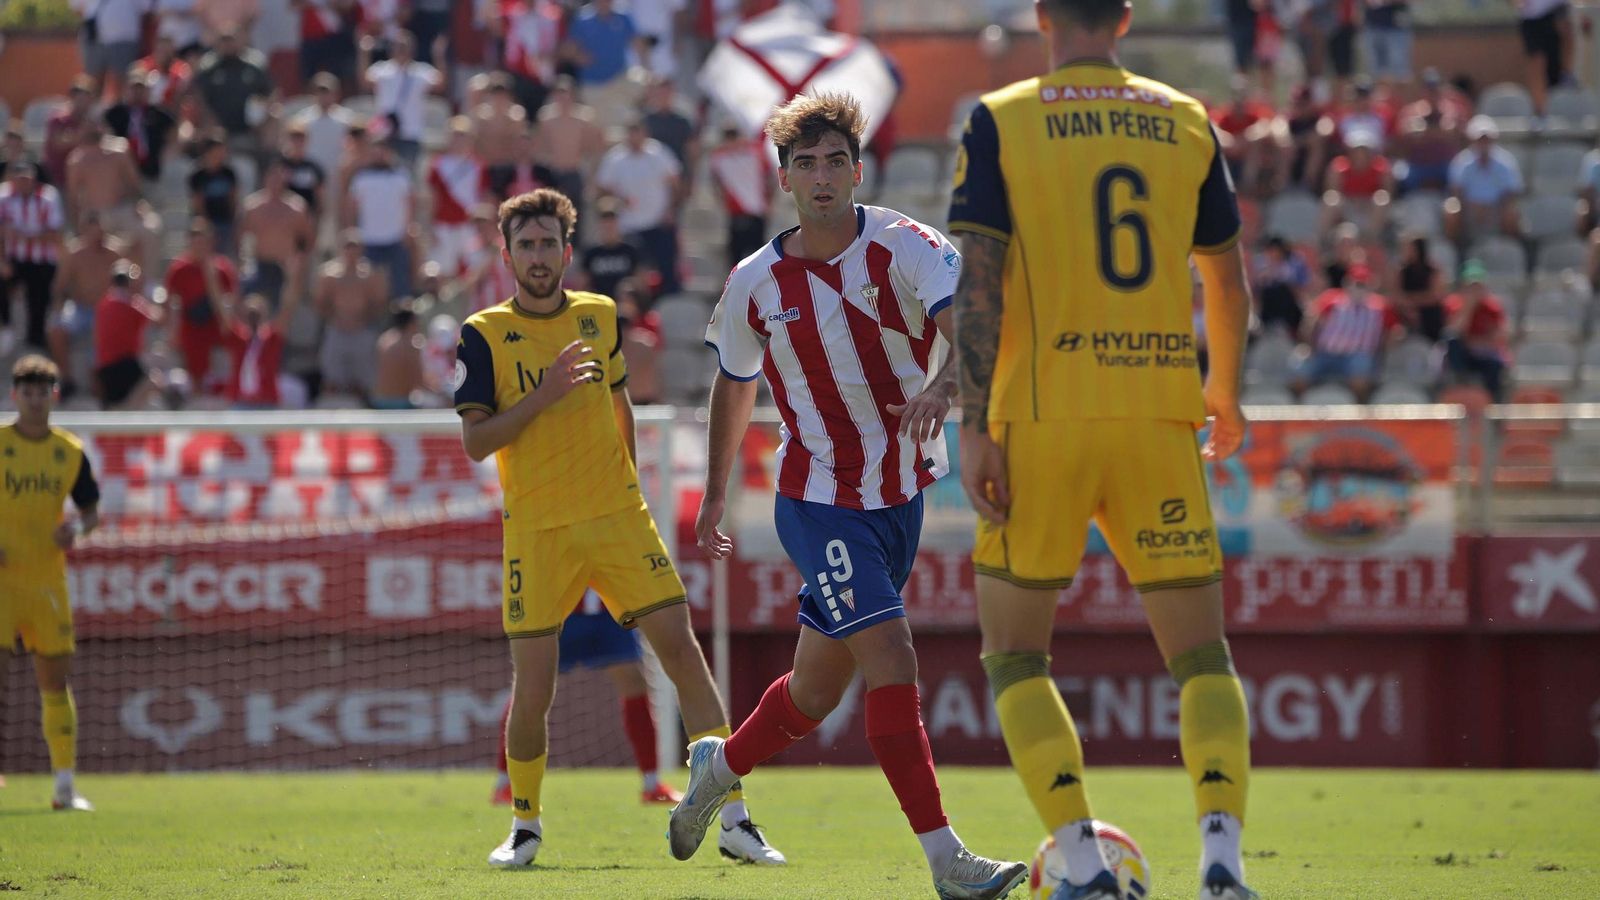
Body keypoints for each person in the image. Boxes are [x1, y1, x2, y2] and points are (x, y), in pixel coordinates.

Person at [673, 93, 1026, 900]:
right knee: (891, 655)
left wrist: (944, 388)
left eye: (836, 161)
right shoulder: (755, 282)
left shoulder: (906, 244)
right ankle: (948, 863)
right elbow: (734, 387)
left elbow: (971, 324)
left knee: (814, 690)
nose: (823, 176)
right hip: (819, 498)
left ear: (858, 170)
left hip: (900, 495)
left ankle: (718, 767)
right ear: (785, 180)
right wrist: (715, 493)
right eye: (807, 164)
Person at [947, 1, 1257, 897]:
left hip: (1042, 417)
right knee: (1203, 659)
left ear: (1043, 15)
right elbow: (1227, 280)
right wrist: (1225, 393)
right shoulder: (1186, 119)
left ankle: (1081, 863)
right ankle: (1224, 862)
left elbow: (976, 281)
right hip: (1160, 412)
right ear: (1124, 17)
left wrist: (974, 423)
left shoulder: (1001, 117)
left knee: (1014, 657)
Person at [454, 188, 782, 868]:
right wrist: (542, 396)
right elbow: (477, 443)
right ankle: (524, 826)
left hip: (616, 518)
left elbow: (619, 400)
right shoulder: (482, 333)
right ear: (507, 252)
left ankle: (736, 818)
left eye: (549, 244)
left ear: (568, 252)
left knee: (684, 657)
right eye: (527, 245)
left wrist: (629, 483)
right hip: (539, 530)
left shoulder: (599, 316)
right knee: (535, 686)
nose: (539, 256)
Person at [0, 354, 101, 812]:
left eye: (43, 393)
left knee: (55, 683)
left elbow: (91, 513)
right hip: (2, 582)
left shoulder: (70, 452)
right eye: (28, 392)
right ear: (14, 395)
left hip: (46, 583)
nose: (36, 401)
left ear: (54, 396)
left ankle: (64, 786)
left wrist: (75, 531)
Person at [490, 590, 684, 807]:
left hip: (608, 610)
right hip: (558, 608)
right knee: (530, 690)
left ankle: (651, 784)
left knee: (634, 681)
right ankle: (505, 783)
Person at [1291, 263, 1402, 402]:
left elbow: (1396, 330)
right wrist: (1310, 344)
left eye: (1363, 284)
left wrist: (1383, 351)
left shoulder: (1380, 306)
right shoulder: (1331, 299)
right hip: (1326, 353)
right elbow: (1312, 321)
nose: (1358, 288)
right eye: (1356, 283)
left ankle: (1359, 412)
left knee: (1361, 374)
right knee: (1301, 372)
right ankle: (1300, 412)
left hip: (1358, 355)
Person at [596, 118, 682, 293]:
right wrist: (618, 199)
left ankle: (669, 303)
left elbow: (675, 183)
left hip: (658, 221)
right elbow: (601, 189)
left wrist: (671, 210)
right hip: (629, 226)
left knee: (666, 267)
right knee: (633, 272)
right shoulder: (615, 158)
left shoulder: (659, 153)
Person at [0, 162, 67, 355]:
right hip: (13, 257)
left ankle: (35, 338)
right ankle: (6, 327)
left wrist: (23, 235)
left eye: (26, 179)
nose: (22, 184)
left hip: (41, 259)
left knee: (39, 299)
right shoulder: (4, 196)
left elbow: (55, 234)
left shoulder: (47, 197)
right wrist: (2, 261)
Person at [315, 231, 389, 396]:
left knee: (363, 378)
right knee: (332, 377)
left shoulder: (371, 275)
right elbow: (320, 301)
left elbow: (379, 302)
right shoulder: (329, 274)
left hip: (362, 330)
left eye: (354, 246)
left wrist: (363, 319)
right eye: (348, 246)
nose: (351, 250)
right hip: (337, 329)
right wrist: (335, 318)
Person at [239, 158, 315, 306]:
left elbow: (308, 238)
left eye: (278, 177)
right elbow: (240, 235)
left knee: (281, 310)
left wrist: (300, 261)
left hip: (284, 266)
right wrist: (242, 262)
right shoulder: (253, 206)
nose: (275, 182)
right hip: (260, 265)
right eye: (271, 176)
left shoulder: (296, 207)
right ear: (265, 178)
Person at [93, 260, 168, 410]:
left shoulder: (104, 303)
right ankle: (126, 415)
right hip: (122, 364)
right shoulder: (131, 305)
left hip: (105, 367)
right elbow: (159, 318)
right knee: (155, 382)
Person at [1445, 116, 1524, 244]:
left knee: (1511, 212)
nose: (1483, 143)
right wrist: (1473, 207)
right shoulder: (1461, 162)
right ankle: (1456, 247)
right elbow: (1457, 192)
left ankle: (1512, 247)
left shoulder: (1506, 162)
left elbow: (1511, 194)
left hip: (1496, 210)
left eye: (1487, 139)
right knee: (1451, 210)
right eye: (1480, 140)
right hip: (1469, 210)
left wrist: (1491, 208)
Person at [1440, 259, 1510, 400]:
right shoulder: (1453, 304)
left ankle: (1493, 405)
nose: (1474, 290)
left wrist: (1476, 342)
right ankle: (1461, 383)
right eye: (1471, 286)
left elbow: (1500, 337)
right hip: (1464, 356)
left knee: (1495, 367)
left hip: (1485, 355)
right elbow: (1454, 331)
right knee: (1451, 341)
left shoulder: (1492, 308)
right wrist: (1469, 307)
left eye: (1477, 286)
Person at [707, 124, 773, 270]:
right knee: (736, 253)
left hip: (757, 209)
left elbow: (769, 177)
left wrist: (769, 202)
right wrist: (721, 201)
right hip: (736, 211)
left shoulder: (755, 153)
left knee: (758, 252)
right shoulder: (720, 158)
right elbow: (715, 182)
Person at [579, 199, 638, 298]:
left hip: (625, 306)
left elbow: (638, 283)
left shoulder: (630, 251)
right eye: (605, 222)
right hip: (600, 305)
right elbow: (583, 284)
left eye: (612, 222)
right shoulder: (591, 254)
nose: (609, 227)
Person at [371, 304, 426, 408]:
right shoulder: (409, 346)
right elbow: (419, 382)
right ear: (411, 323)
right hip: (401, 405)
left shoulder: (383, 340)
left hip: (379, 402)